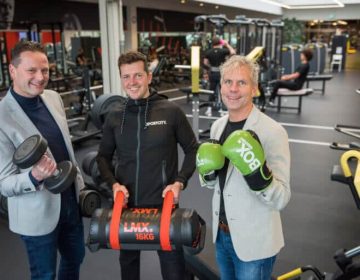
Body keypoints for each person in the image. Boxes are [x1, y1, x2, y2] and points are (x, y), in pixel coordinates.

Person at [96, 51, 198, 280]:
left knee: (174, 272)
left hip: (164, 205)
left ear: (149, 77)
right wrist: (113, 185)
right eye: (126, 77)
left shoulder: (170, 112)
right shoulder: (114, 115)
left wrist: (179, 182)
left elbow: (193, 149)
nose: (132, 82)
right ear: (121, 79)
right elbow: (103, 157)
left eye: (138, 75)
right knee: (129, 271)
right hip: (126, 206)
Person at [196, 55, 291, 280]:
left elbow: (282, 198)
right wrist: (207, 173)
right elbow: (217, 184)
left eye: (242, 82)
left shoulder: (273, 132)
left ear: (254, 88)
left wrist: (258, 175)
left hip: (255, 242)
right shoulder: (218, 127)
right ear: (221, 87)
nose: (233, 89)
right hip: (222, 236)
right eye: (228, 82)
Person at [0, 40, 85, 279]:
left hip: (70, 203)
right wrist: (33, 176)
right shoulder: (2, 117)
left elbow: (66, 149)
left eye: (45, 70)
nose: (40, 76)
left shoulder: (53, 98)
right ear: (13, 71)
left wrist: (81, 188)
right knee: (44, 274)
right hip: (36, 211)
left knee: (75, 259)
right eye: (32, 70)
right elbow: (4, 184)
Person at [203, 36, 236, 116]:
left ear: (212, 43)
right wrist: (227, 44)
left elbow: (205, 63)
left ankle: (209, 110)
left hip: (213, 74)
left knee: (212, 91)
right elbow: (233, 52)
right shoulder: (223, 51)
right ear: (220, 43)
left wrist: (209, 69)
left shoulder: (208, 52)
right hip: (222, 73)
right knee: (223, 91)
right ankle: (223, 110)